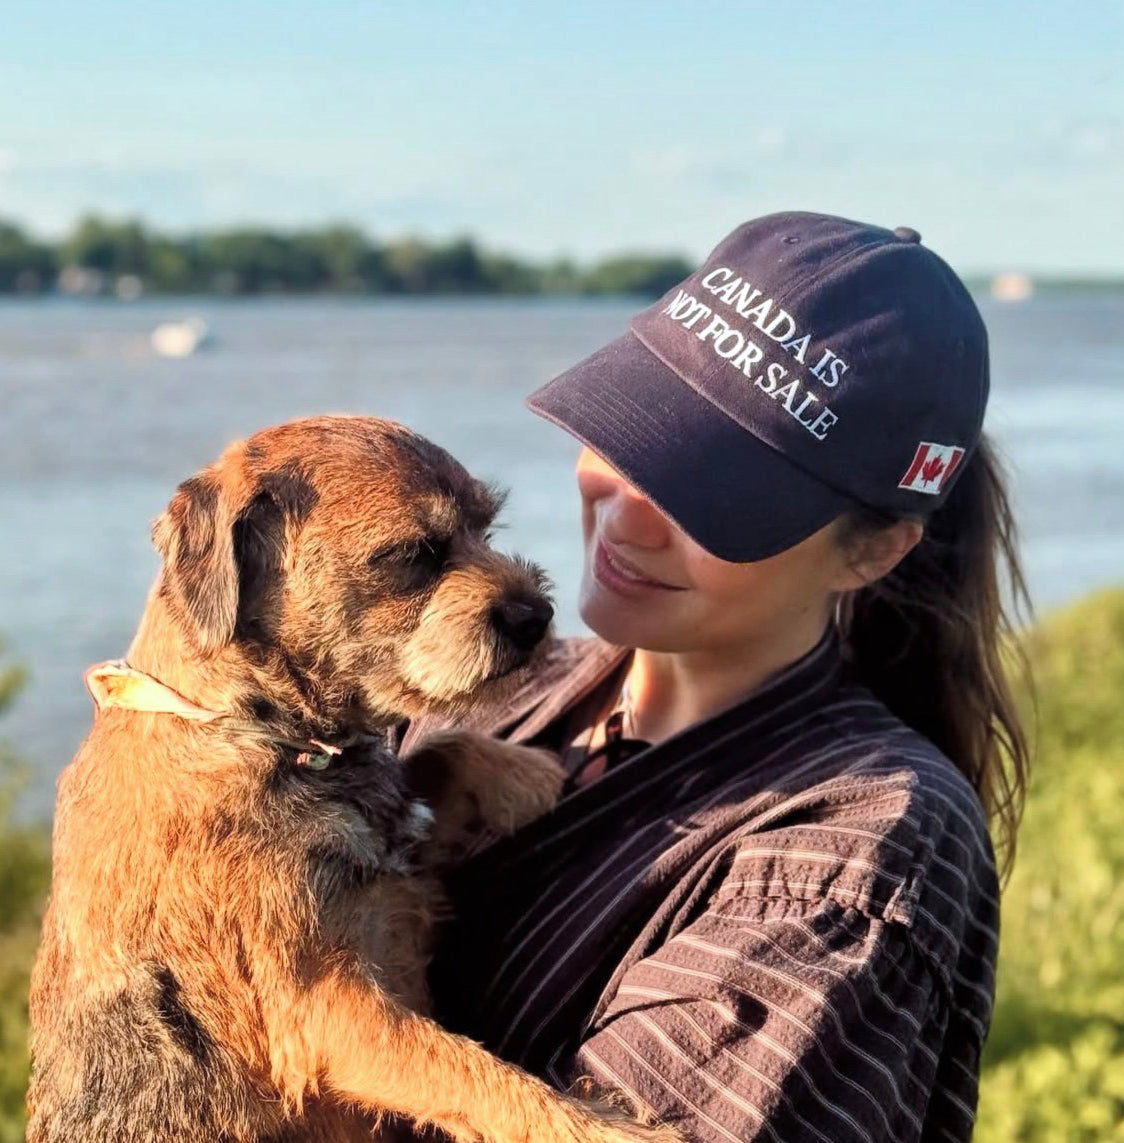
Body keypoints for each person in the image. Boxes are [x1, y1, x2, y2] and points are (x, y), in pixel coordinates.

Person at [400, 211, 1031, 1143]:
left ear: (875, 551)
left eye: (713, 496)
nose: (629, 515)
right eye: (629, 432)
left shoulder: (853, 848)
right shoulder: (498, 691)